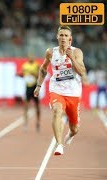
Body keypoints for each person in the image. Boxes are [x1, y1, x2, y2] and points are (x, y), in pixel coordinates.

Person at [34, 26, 89, 156]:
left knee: (75, 128)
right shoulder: (50, 52)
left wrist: (72, 59)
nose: (63, 38)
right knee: (56, 111)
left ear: (70, 39)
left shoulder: (77, 52)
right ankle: (59, 144)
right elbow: (43, 69)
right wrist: (38, 86)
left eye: (66, 36)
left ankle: (70, 134)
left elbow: (82, 72)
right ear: (57, 37)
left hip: (73, 93)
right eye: (61, 35)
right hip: (56, 89)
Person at [21, 54, 41, 131]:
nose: (31, 58)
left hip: (34, 87)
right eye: (30, 57)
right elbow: (23, 74)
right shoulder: (25, 66)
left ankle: (38, 122)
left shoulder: (37, 65)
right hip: (28, 87)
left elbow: (39, 75)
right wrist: (20, 75)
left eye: (32, 57)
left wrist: (33, 74)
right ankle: (25, 124)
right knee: (26, 106)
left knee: (37, 106)